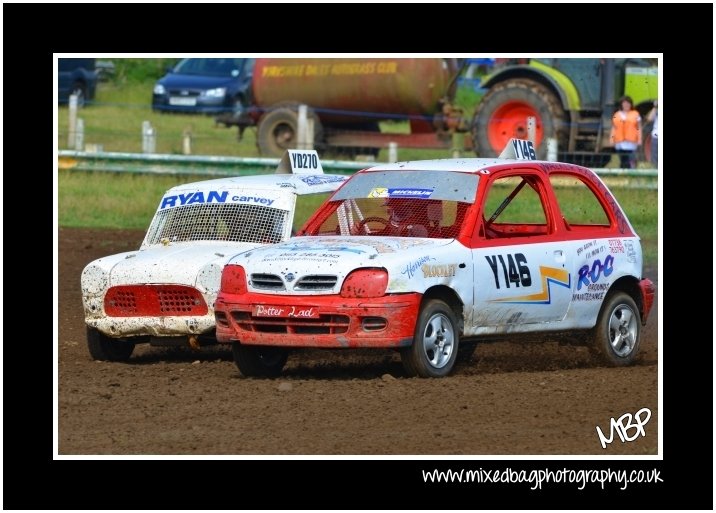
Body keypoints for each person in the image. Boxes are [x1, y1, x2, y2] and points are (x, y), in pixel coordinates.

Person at [610, 96, 642, 169]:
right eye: (624, 103)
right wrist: (611, 139)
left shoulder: (635, 114)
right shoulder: (617, 114)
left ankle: (632, 172)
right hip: (619, 141)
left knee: (631, 159)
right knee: (622, 159)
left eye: (628, 103)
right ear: (621, 104)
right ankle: (623, 172)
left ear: (631, 104)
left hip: (631, 141)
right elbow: (614, 128)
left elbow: (639, 128)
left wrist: (640, 139)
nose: (626, 105)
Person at [646, 100, 658, 167]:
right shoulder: (657, 110)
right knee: (655, 158)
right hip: (656, 136)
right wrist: (655, 107)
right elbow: (649, 119)